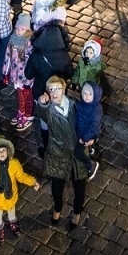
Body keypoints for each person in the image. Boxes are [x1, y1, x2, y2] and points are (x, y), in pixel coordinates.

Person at [37, 76, 91, 229]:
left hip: (77, 151)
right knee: (57, 186)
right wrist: (41, 103)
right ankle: (58, 208)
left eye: (58, 89)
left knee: (79, 185)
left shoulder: (74, 104)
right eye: (51, 89)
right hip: (58, 153)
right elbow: (41, 112)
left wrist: (90, 137)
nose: (55, 93)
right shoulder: (48, 110)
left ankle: (77, 211)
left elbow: (88, 121)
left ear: (64, 89)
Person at [0, 136, 39, 243]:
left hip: (11, 196)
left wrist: (32, 182)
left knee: (12, 211)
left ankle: (12, 223)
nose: (1, 153)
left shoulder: (14, 163)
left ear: (8, 151)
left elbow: (21, 176)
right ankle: (0, 228)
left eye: (3, 150)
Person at [74, 81, 103, 180]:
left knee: (77, 153)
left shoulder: (95, 110)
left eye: (90, 94)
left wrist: (84, 138)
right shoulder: (82, 103)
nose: (86, 96)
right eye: (85, 93)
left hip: (86, 134)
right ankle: (90, 148)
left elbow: (93, 126)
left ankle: (91, 164)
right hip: (81, 130)